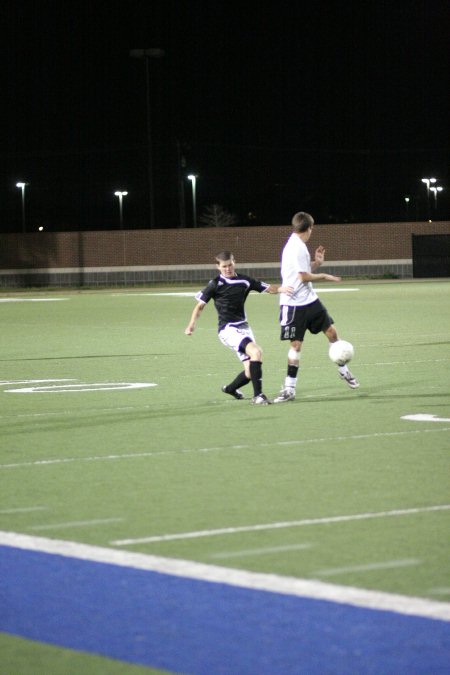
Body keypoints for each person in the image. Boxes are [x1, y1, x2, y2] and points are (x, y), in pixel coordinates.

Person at [185, 251, 293, 405]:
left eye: (230, 265)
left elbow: (268, 288)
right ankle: (258, 396)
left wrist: (282, 289)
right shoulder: (215, 284)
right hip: (227, 329)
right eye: (224, 266)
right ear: (218, 267)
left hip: (244, 328)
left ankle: (230, 389)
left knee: (250, 372)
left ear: (234, 262)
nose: (227, 269)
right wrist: (191, 325)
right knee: (256, 352)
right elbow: (200, 306)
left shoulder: (245, 280)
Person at [274, 211, 359, 403]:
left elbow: (303, 272)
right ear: (310, 228)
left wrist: (317, 264)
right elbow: (303, 277)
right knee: (296, 345)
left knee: (332, 333)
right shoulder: (295, 247)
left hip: (310, 300)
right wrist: (325, 275)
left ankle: (343, 370)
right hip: (293, 304)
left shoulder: (299, 245)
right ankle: (289, 389)